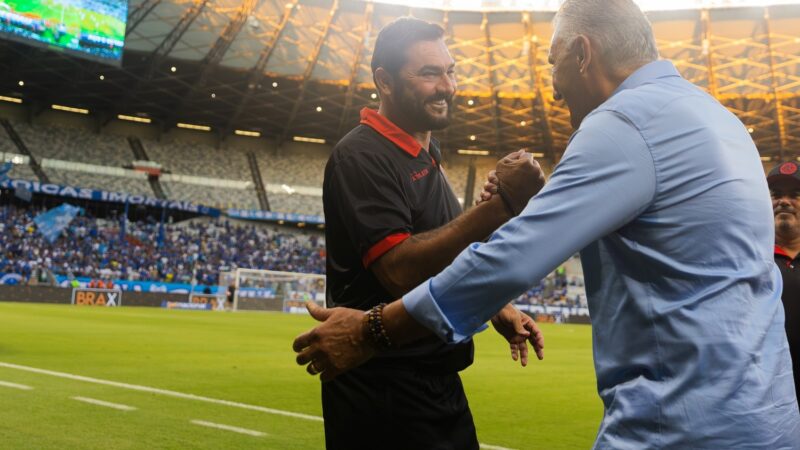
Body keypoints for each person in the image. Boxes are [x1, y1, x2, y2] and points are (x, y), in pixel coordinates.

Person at [294, 0, 800, 447]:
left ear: (582, 54)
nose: (554, 91)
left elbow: (514, 255)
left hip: (681, 422)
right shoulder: (719, 118)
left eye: (555, 64)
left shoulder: (624, 124)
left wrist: (374, 330)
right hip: (766, 413)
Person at [309, 17, 545, 450]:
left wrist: (495, 304)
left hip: (432, 380)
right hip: (383, 389)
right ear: (385, 81)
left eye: (450, 71)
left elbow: (446, 249)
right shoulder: (361, 155)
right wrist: (501, 207)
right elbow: (399, 269)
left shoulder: (425, 149)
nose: (447, 86)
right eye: (429, 74)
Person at [768, 161, 800, 407]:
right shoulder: (752, 260)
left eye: (795, 196)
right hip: (771, 393)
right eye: (776, 195)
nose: (784, 201)